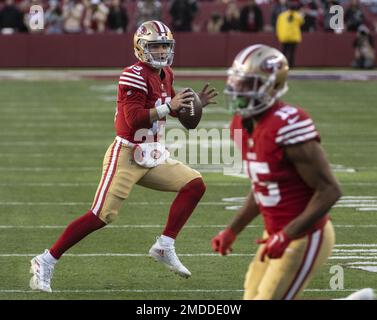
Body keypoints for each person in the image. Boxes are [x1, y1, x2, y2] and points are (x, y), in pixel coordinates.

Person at [29, 20, 218, 293]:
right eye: (156, 46)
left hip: (153, 154)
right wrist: (169, 107)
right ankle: (45, 260)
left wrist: (194, 102)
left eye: (165, 46)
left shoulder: (166, 73)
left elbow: (172, 108)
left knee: (194, 184)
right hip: (127, 154)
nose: (162, 51)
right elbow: (134, 119)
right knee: (100, 216)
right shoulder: (133, 75)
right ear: (141, 48)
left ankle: (165, 245)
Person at [211, 44, 342, 300]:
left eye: (248, 84)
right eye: (237, 82)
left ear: (272, 86)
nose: (238, 90)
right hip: (274, 234)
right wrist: (232, 229)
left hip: (306, 235)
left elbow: (330, 191)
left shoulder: (288, 125)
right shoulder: (240, 124)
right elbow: (263, 186)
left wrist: (287, 235)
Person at [276, 0, 304, 67]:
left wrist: (278, 35)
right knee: (292, 52)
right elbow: (302, 22)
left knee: (284, 52)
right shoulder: (297, 15)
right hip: (293, 37)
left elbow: (278, 25)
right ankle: (291, 65)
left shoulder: (282, 15)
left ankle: (282, 65)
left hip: (284, 36)